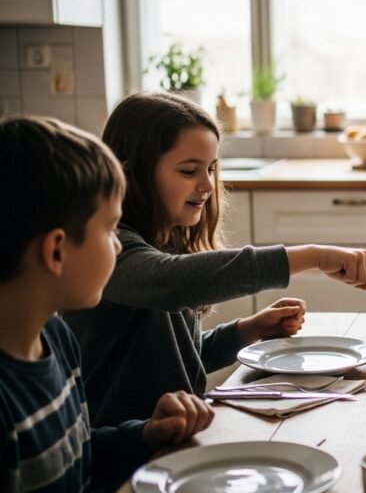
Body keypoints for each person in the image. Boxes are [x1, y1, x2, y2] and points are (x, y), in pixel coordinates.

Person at [64, 92, 366, 427]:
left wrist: (249, 329)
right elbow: (171, 282)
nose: (207, 184)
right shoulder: (108, 249)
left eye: (211, 168)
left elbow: (183, 359)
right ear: (131, 175)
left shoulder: (167, 240)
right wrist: (314, 257)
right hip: (120, 455)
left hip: (176, 440)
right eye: (189, 171)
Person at [0, 116, 213, 491]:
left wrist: (146, 434)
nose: (118, 245)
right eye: (109, 229)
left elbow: (82, 456)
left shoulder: (57, 340)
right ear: (56, 251)